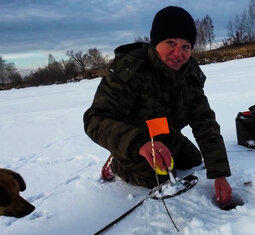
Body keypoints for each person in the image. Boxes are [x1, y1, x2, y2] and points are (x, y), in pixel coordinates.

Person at [83, 6, 232, 207]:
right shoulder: (130, 70)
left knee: (192, 159)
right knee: (157, 179)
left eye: (185, 46)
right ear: (155, 42)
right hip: (135, 141)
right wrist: (140, 144)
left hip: (165, 134)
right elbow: (95, 119)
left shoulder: (190, 75)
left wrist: (220, 173)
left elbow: (204, 121)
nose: (178, 53)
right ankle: (117, 165)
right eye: (170, 43)